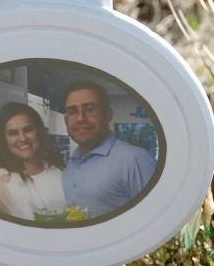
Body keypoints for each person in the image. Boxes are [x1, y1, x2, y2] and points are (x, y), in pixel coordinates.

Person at [61, 81, 156, 219]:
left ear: (108, 115)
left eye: (89, 109)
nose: (81, 118)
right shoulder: (70, 165)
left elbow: (155, 221)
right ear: (66, 120)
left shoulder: (134, 161)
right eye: (72, 111)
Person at [0, 102, 66, 221]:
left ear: (38, 132)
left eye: (28, 130)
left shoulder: (58, 168)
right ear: (3, 139)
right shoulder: (0, 180)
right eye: (13, 133)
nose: (23, 138)